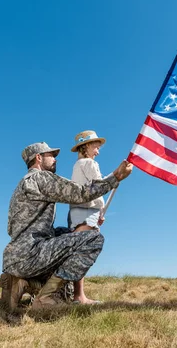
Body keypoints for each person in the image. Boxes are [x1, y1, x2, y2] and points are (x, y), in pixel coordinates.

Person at [0, 141, 132, 312]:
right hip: (31, 256)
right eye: (51, 156)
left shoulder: (21, 185)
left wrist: (74, 231)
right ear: (39, 158)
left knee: (73, 233)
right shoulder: (41, 178)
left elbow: (18, 229)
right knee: (93, 239)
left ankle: (19, 282)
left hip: (15, 258)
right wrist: (116, 177)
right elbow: (81, 193)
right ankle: (45, 299)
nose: (55, 159)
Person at [68, 130, 107, 304]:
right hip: (86, 211)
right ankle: (79, 296)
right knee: (83, 252)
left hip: (77, 212)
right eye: (95, 146)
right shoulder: (90, 164)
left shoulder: (77, 165)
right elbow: (99, 186)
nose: (98, 149)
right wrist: (117, 176)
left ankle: (78, 295)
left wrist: (100, 212)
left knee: (78, 251)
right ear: (86, 146)